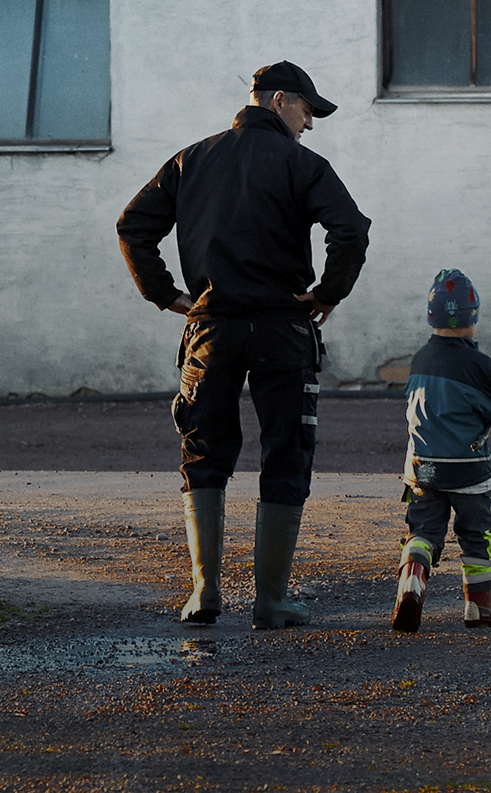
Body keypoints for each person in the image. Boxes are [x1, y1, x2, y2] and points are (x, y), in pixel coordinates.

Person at [116, 60, 371, 629]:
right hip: (283, 327)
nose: (310, 124)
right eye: (307, 110)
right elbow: (350, 228)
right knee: (286, 452)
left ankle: (205, 593)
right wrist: (329, 292)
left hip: (211, 328)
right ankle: (271, 601)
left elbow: (133, 226)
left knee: (204, 451)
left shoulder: (192, 159)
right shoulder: (302, 164)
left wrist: (168, 296)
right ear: (279, 100)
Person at [390, 268, 491, 632]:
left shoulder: (419, 360)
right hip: (469, 469)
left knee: (423, 531)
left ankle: (412, 579)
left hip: (422, 469)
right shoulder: (476, 364)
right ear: (473, 316)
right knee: (476, 535)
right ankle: (479, 607)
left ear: (430, 315)